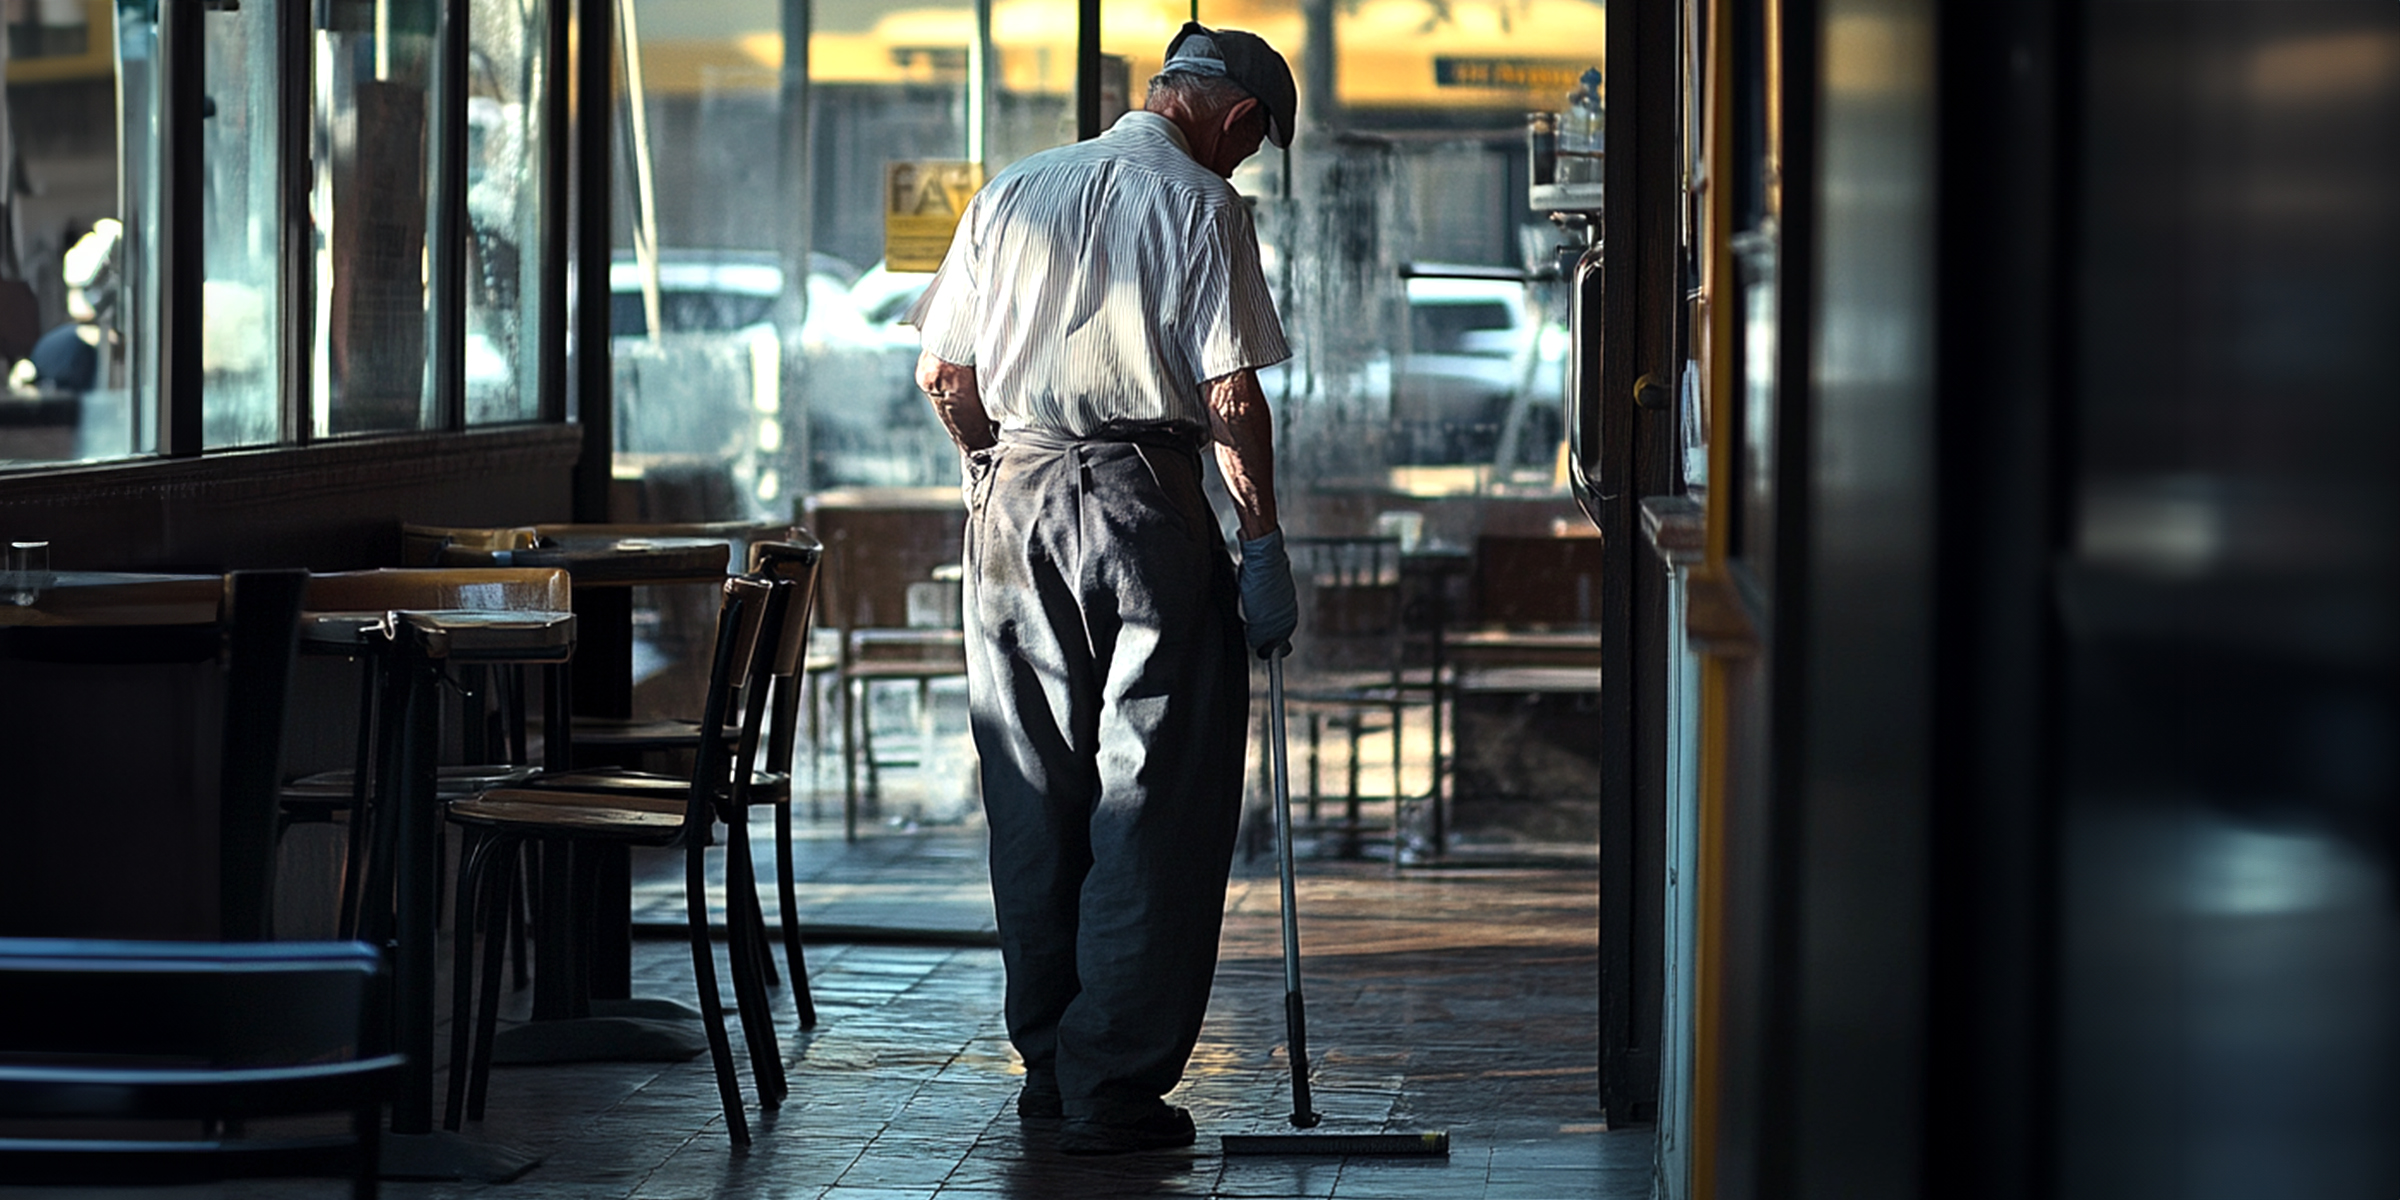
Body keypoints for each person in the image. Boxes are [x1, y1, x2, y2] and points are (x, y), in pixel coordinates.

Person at [908, 22, 1301, 1156]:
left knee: (1032, 785)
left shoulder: (1013, 189)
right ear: (1236, 122)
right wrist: (1260, 541)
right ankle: (1113, 1082)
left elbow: (943, 372)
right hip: (1146, 499)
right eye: (1255, 147)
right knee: (1156, 787)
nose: (1245, 166)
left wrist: (995, 466)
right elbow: (1230, 401)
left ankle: (1048, 1067)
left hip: (1015, 496)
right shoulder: (1203, 205)